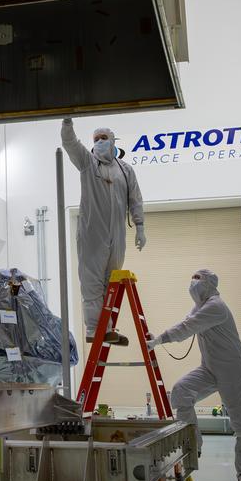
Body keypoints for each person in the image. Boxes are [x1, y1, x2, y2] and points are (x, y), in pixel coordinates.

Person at [148, 269, 241, 481]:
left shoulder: (216, 306)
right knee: (181, 391)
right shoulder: (199, 307)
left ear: (209, 284)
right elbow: (186, 321)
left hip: (234, 371)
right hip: (210, 368)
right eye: (192, 277)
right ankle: (193, 444)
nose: (193, 283)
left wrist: (160, 340)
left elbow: (187, 328)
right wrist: (158, 337)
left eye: (197, 279)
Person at [61, 117, 146, 346]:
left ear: (113, 142)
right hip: (92, 233)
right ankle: (93, 329)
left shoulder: (125, 170)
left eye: (103, 138)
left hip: (117, 234)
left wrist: (140, 226)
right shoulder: (88, 162)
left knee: (111, 283)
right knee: (92, 282)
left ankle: (107, 329)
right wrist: (67, 124)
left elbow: (135, 199)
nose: (99, 142)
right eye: (95, 139)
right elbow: (70, 144)